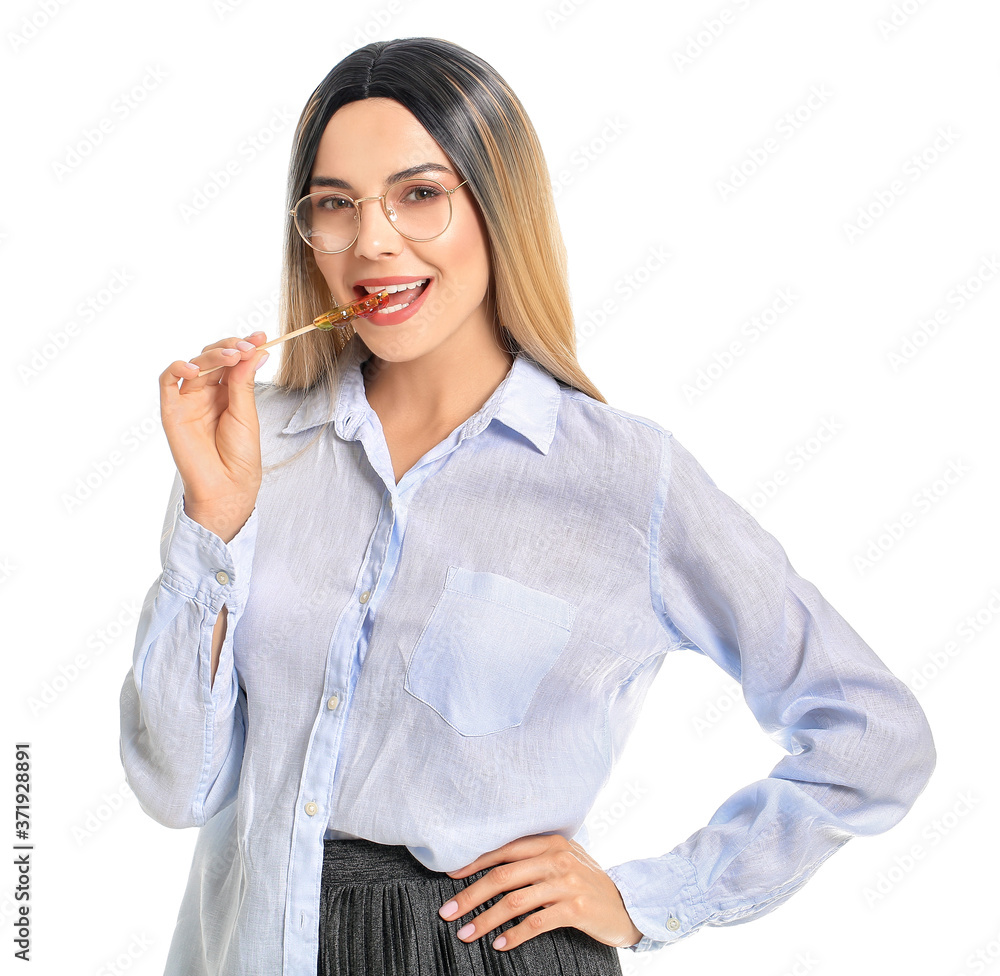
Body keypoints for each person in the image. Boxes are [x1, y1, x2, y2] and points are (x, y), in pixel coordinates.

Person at [118, 36, 936, 976]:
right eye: (336, 205)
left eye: (419, 194)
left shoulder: (625, 478)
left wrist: (648, 896)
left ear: (497, 207)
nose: (373, 240)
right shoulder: (254, 451)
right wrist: (212, 521)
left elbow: (874, 737)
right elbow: (175, 785)